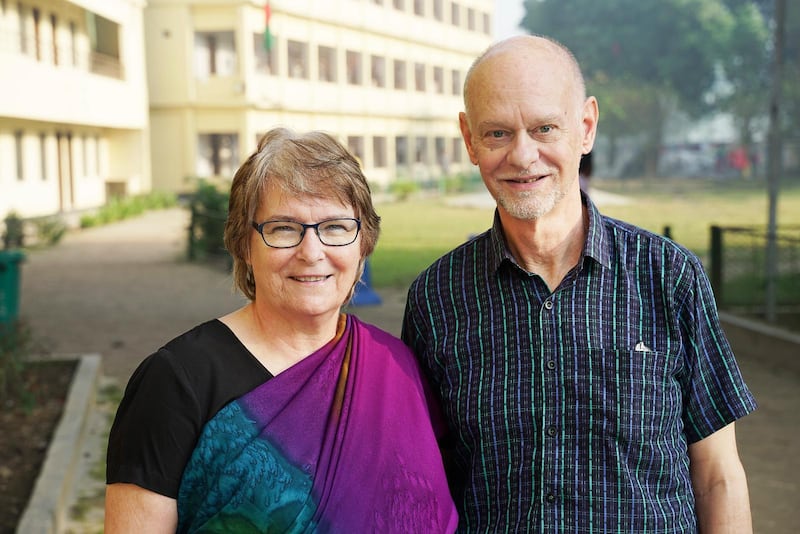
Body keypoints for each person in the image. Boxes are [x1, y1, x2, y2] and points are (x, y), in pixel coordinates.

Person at [402, 35, 756, 532]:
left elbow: (718, 476)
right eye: (498, 133)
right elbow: (420, 485)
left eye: (545, 128)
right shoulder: (436, 300)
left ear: (585, 126)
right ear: (469, 139)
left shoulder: (669, 276)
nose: (524, 156)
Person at [106, 128, 458, 533]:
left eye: (337, 227)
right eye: (284, 228)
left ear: (364, 244)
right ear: (243, 245)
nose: (312, 252)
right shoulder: (176, 382)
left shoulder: (397, 366)